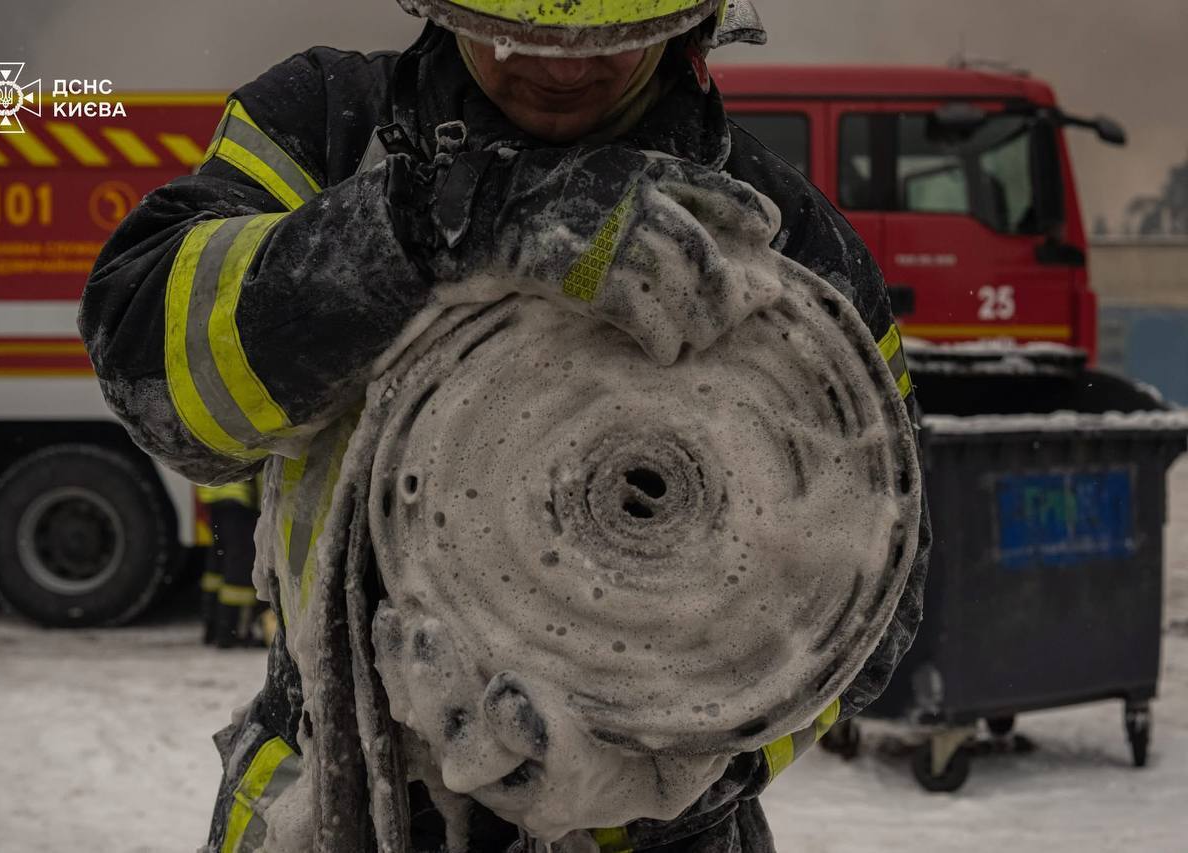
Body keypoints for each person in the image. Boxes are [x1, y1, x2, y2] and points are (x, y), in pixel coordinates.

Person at [79, 1, 931, 850]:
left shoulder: (785, 238)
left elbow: (878, 589)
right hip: (331, 806)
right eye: (517, 32)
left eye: (609, 38)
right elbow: (154, 373)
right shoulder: (334, 127)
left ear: (685, 24)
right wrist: (436, 224)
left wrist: (672, 779)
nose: (561, 66)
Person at [195, 479, 270, 648]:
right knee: (239, 568)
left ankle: (212, 628)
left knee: (217, 567)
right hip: (239, 497)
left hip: (215, 493)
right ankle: (231, 632)